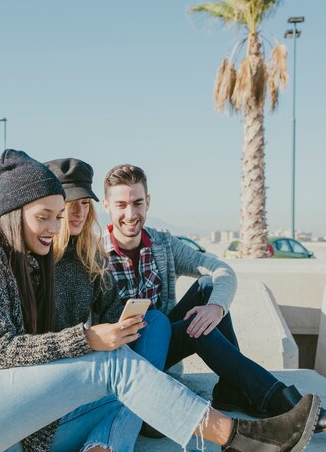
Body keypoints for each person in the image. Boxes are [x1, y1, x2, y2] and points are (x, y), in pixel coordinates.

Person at [0, 150, 321, 452]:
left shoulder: (48, 264)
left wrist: (122, 324)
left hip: (2, 435)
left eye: (64, 214)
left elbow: (78, 336)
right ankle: (245, 439)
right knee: (115, 369)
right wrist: (89, 338)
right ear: (13, 213)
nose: (57, 226)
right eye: (46, 216)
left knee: (131, 384)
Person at [102, 163, 326, 431]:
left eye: (137, 203)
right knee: (194, 328)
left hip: (164, 344)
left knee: (208, 288)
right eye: (121, 205)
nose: (130, 213)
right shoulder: (92, 255)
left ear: (148, 202)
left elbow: (222, 269)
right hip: (126, 358)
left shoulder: (162, 243)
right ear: (107, 206)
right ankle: (279, 401)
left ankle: (240, 390)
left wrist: (217, 307)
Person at [45, 157, 171, 452]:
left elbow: (112, 308)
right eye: (70, 203)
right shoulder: (38, 258)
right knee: (136, 393)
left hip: (96, 360)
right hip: (58, 372)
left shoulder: (90, 257)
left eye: (85, 203)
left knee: (155, 322)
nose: (78, 212)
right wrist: (90, 341)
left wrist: (123, 324)